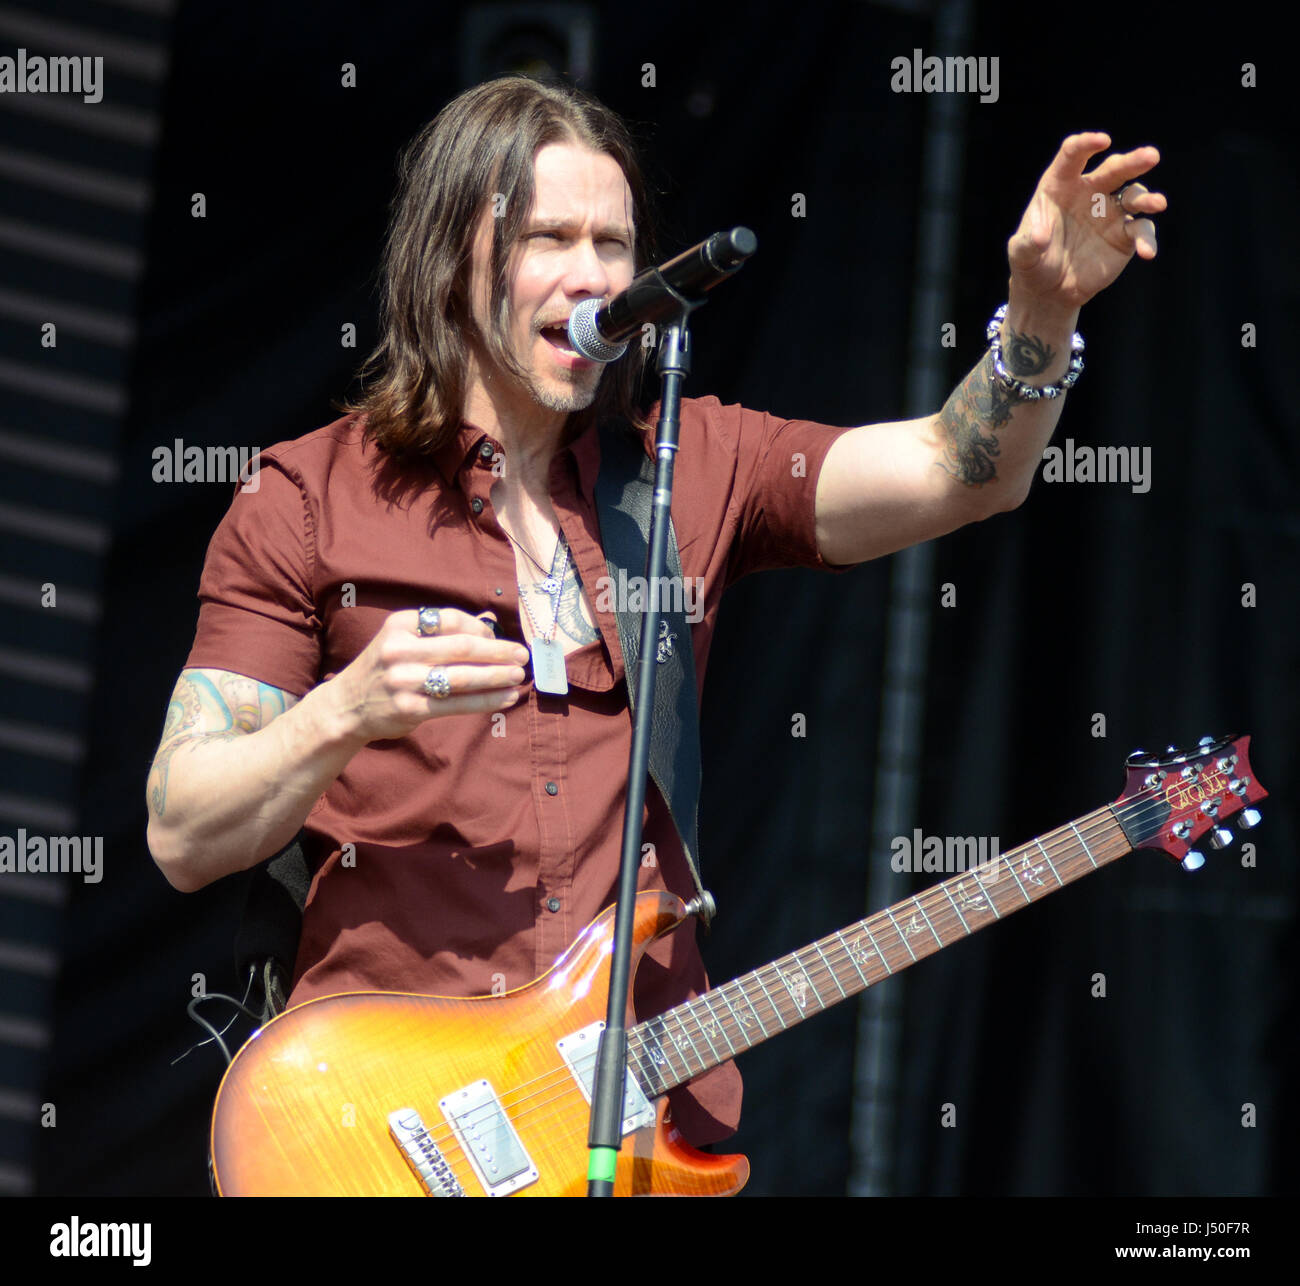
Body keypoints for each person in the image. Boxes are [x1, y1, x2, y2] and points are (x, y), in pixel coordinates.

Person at [146, 75, 1164, 1146]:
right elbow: (184, 828)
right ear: (450, 257)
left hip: (629, 1134)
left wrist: (1042, 310)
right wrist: (339, 712)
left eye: (614, 243)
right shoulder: (308, 497)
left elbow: (960, 471)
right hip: (381, 1132)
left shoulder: (696, 465)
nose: (592, 275)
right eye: (549, 237)